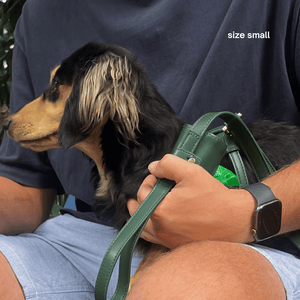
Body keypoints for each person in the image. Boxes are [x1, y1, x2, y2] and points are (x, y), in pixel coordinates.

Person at [0, 0, 300, 299]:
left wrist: (242, 214)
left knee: (184, 289)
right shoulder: (43, 9)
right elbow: (24, 185)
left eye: (55, 91)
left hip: (264, 241)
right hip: (82, 234)